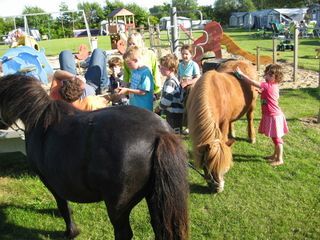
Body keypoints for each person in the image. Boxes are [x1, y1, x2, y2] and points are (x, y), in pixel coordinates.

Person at [234, 64, 289, 166]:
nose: (265, 75)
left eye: (268, 74)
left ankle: (280, 159)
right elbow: (268, 95)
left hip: (274, 116)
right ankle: (274, 155)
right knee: (274, 137)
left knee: (277, 139)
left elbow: (251, 82)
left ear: (275, 77)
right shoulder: (272, 86)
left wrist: (241, 74)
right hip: (272, 115)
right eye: (266, 73)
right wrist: (261, 93)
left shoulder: (266, 85)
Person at [117, 46, 154, 111]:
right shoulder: (134, 71)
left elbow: (143, 92)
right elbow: (134, 85)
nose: (128, 66)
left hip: (144, 108)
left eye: (129, 64)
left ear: (136, 60)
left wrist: (127, 90)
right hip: (134, 105)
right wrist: (125, 86)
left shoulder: (145, 73)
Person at [155, 53, 184, 134]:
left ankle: (178, 146)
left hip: (174, 113)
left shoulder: (170, 82)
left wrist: (159, 108)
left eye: (163, 68)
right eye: (160, 67)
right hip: (174, 113)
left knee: (174, 135)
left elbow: (166, 100)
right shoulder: (172, 80)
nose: (160, 70)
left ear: (172, 69)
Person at [178, 44, 201, 134]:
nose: (184, 56)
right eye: (183, 54)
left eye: (187, 54)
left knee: (188, 105)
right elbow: (179, 76)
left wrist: (188, 82)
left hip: (191, 86)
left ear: (191, 55)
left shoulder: (194, 65)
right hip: (182, 85)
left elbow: (198, 78)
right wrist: (180, 81)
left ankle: (189, 126)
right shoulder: (180, 65)